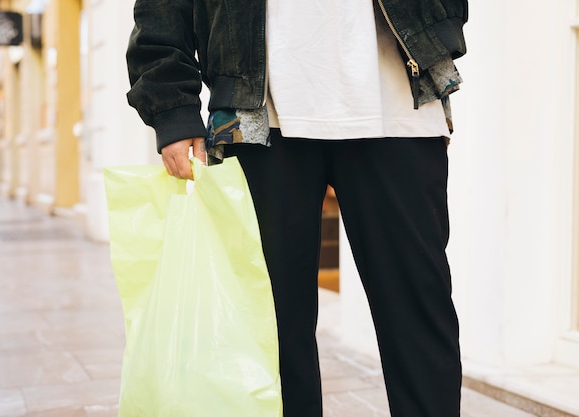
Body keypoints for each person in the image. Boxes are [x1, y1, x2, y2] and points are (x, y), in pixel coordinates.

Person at [126, 0, 468, 415]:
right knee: (271, 328)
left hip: (399, 103)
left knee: (418, 313)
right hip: (254, 115)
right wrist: (172, 109)